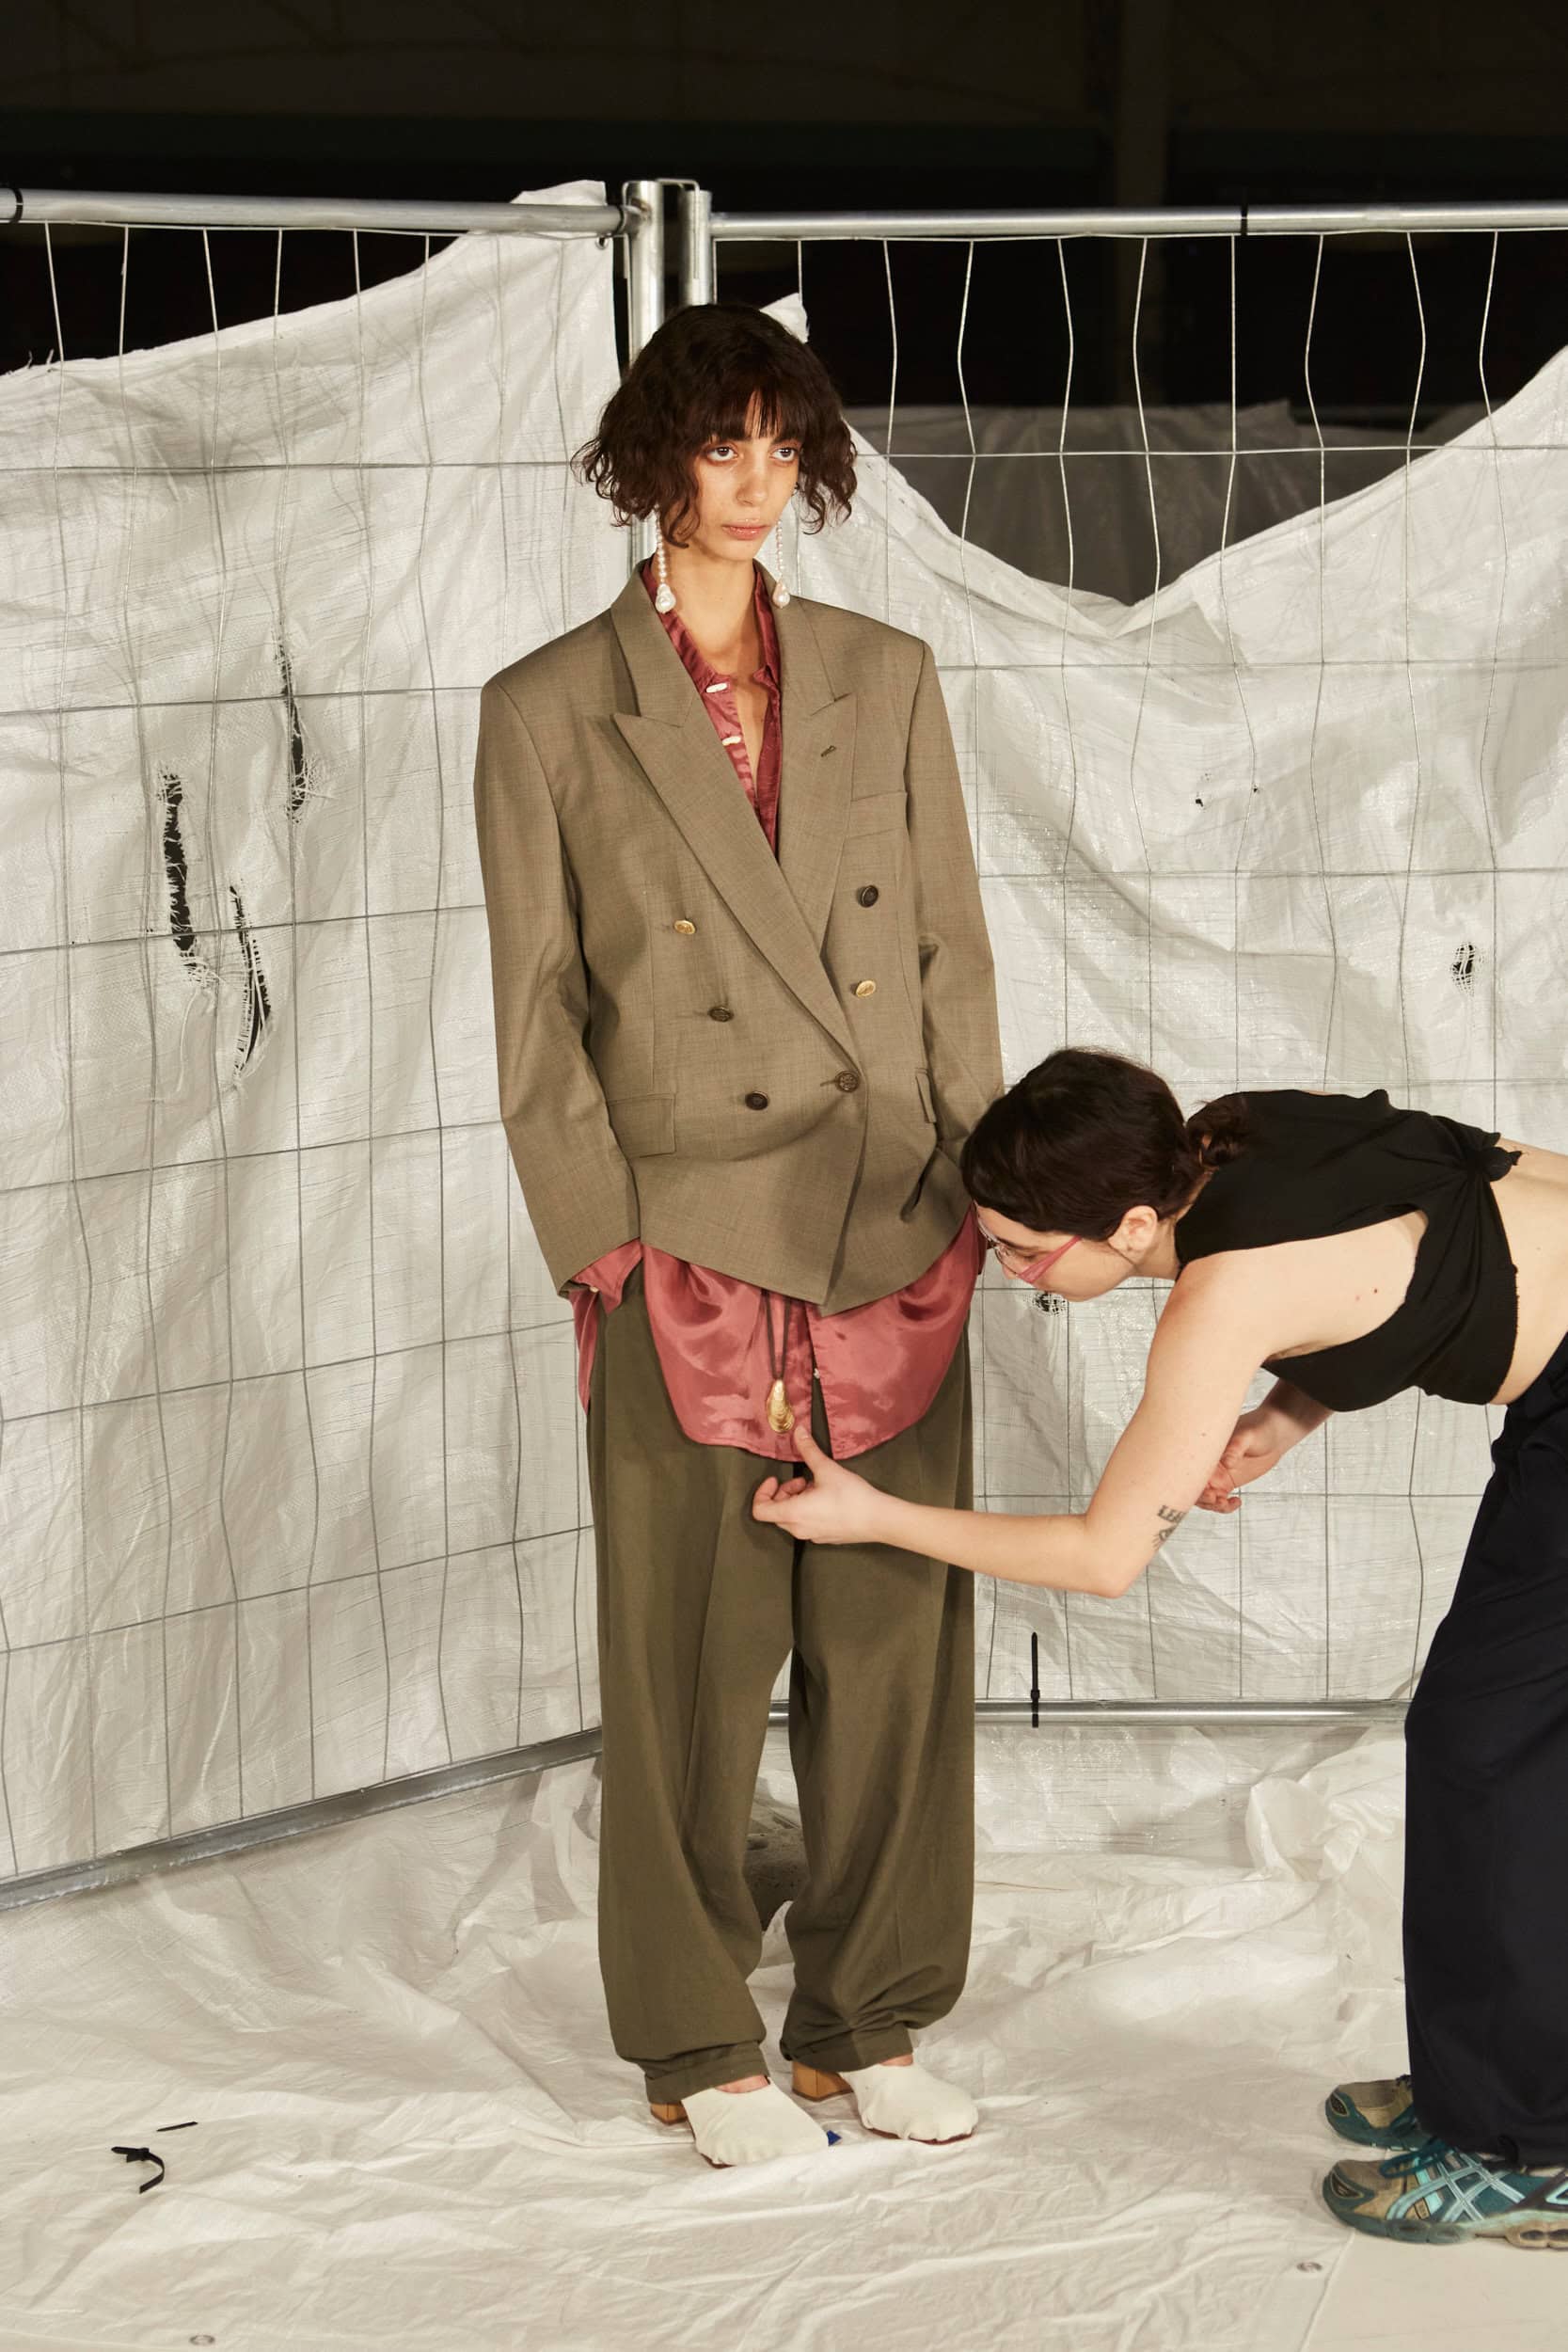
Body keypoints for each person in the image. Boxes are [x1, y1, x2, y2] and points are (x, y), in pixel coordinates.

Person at [471, 303, 1003, 2169]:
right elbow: (536, 1013)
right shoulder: (546, 706)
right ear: (653, 460)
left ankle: (868, 2018)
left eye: (785, 445)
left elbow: (942, 952)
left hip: (889, 1217)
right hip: (685, 1236)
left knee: (893, 1648)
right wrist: (601, 1245)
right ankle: (696, 2036)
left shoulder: (886, 672)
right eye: (722, 444)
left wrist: (982, 1195)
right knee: (686, 1668)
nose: (757, 480)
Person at [753, 1046, 1568, 2246]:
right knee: (1478, 1745)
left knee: (1492, 1759)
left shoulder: (1218, 1298)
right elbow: (1435, 1223)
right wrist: (1285, 1414)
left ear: (1132, 1225)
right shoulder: (1238, 1131)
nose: (1010, 1270)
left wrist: (871, 1514)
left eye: (1026, 1251)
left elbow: (1100, 1557)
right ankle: (1486, 2079)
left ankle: (1525, 2149)